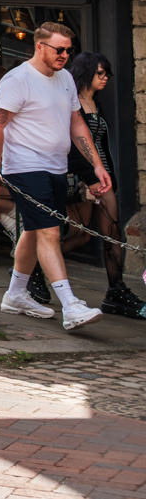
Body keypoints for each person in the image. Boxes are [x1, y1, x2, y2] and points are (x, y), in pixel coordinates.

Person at [0, 22, 108, 329]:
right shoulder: (18, 79)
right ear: (39, 46)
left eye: (69, 50)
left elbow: (77, 124)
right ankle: (70, 306)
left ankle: (16, 293)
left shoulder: (66, 78)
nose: (65, 55)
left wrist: (96, 164)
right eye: (59, 49)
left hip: (57, 167)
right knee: (50, 233)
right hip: (25, 168)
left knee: (34, 229)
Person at [64, 52, 145, 319]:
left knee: (99, 233)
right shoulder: (72, 101)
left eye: (107, 73)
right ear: (86, 72)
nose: (106, 77)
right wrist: (89, 180)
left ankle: (116, 290)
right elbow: (72, 147)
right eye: (101, 73)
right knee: (89, 234)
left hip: (102, 176)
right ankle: (30, 271)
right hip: (84, 178)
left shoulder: (94, 102)